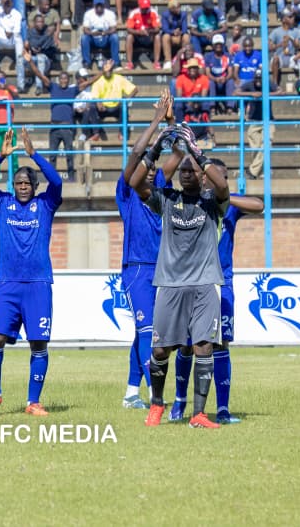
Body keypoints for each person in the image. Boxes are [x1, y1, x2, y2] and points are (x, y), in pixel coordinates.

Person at [132, 122, 229, 429]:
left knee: (203, 346)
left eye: (192, 170)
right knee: (160, 349)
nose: (186, 174)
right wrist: (156, 148)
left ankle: (199, 414)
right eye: (183, 170)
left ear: (202, 175)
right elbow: (136, 182)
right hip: (170, 284)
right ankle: (157, 404)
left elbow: (224, 187)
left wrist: (197, 153)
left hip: (204, 283)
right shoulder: (166, 199)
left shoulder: (213, 202)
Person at [165, 158, 264, 424]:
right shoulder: (190, 202)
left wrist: (226, 197)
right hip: (192, 281)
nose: (225, 181)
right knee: (187, 344)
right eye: (221, 176)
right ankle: (179, 401)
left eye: (227, 177)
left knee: (221, 344)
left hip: (222, 283)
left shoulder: (228, 203)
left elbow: (259, 205)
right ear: (205, 177)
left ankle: (222, 409)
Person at [0, 127, 62, 418]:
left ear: (35, 186)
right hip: (8, 285)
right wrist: (0, 156)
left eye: (26, 183)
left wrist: (33, 154)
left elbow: (57, 181)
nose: (22, 187)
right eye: (18, 183)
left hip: (38, 284)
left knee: (38, 343)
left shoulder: (46, 204)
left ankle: (33, 401)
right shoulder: (2, 203)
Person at [117, 92, 170, 409]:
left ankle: (130, 394)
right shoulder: (127, 191)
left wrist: (172, 123)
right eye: (144, 166)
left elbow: (179, 156)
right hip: (137, 268)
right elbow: (137, 153)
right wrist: (156, 122)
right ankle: (155, 395)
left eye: (153, 167)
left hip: (164, 269)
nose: (149, 169)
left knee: (144, 333)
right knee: (148, 331)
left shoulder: (161, 189)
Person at [26, 54, 77, 181]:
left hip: (67, 127)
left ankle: (71, 178)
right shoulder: (53, 87)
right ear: (59, 80)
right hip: (54, 127)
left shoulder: (73, 90)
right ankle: (52, 179)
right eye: (62, 78)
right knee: (52, 155)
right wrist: (31, 61)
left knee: (69, 154)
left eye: (66, 79)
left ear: (68, 80)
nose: (63, 80)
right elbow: (39, 74)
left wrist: (103, 73)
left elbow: (88, 82)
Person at [237, 70, 280, 179]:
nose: (258, 80)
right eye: (256, 78)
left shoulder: (268, 83)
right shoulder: (249, 84)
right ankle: (260, 171)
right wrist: (251, 94)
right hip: (254, 120)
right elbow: (235, 92)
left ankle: (252, 171)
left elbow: (281, 91)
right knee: (255, 148)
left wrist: (265, 95)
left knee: (266, 145)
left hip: (268, 120)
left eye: (260, 78)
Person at [0, 0, 24, 88]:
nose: (7, 4)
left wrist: (11, 32)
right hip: (0, 39)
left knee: (20, 57)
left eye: (9, 2)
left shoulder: (17, 14)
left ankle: (21, 85)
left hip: (13, 39)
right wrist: (0, 1)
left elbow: (17, 30)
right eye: (5, 3)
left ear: (12, 3)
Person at [80, 0, 118, 69]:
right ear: (94, 5)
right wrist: (93, 33)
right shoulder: (88, 14)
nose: (99, 7)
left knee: (115, 37)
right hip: (93, 38)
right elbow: (85, 29)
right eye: (97, 5)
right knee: (84, 38)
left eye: (101, 5)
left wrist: (106, 33)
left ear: (104, 5)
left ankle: (115, 63)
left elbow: (114, 29)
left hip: (106, 37)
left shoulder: (110, 13)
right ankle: (87, 62)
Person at [125, 0, 160, 70]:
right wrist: (139, 32)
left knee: (157, 36)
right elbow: (129, 29)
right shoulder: (134, 13)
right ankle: (129, 63)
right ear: (140, 6)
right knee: (129, 37)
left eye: (147, 7)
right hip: (137, 37)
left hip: (149, 36)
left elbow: (157, 29)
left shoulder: (153, 12)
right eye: (144, 8)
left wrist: (149, 31)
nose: (145, 9)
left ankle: (156, 62)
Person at [159, 0, 187, 69]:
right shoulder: (165, 15)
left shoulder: (183, 14)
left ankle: (184, 59)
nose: (178, 9)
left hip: (179, 36)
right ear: (171, 9)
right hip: (170, 36)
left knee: (186, 36)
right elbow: (165, 29)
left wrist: (180, 32)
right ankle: (168, 61)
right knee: (165, 36)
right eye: (176, 8)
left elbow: (185, 29)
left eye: (179, 7)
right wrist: (173, 32)